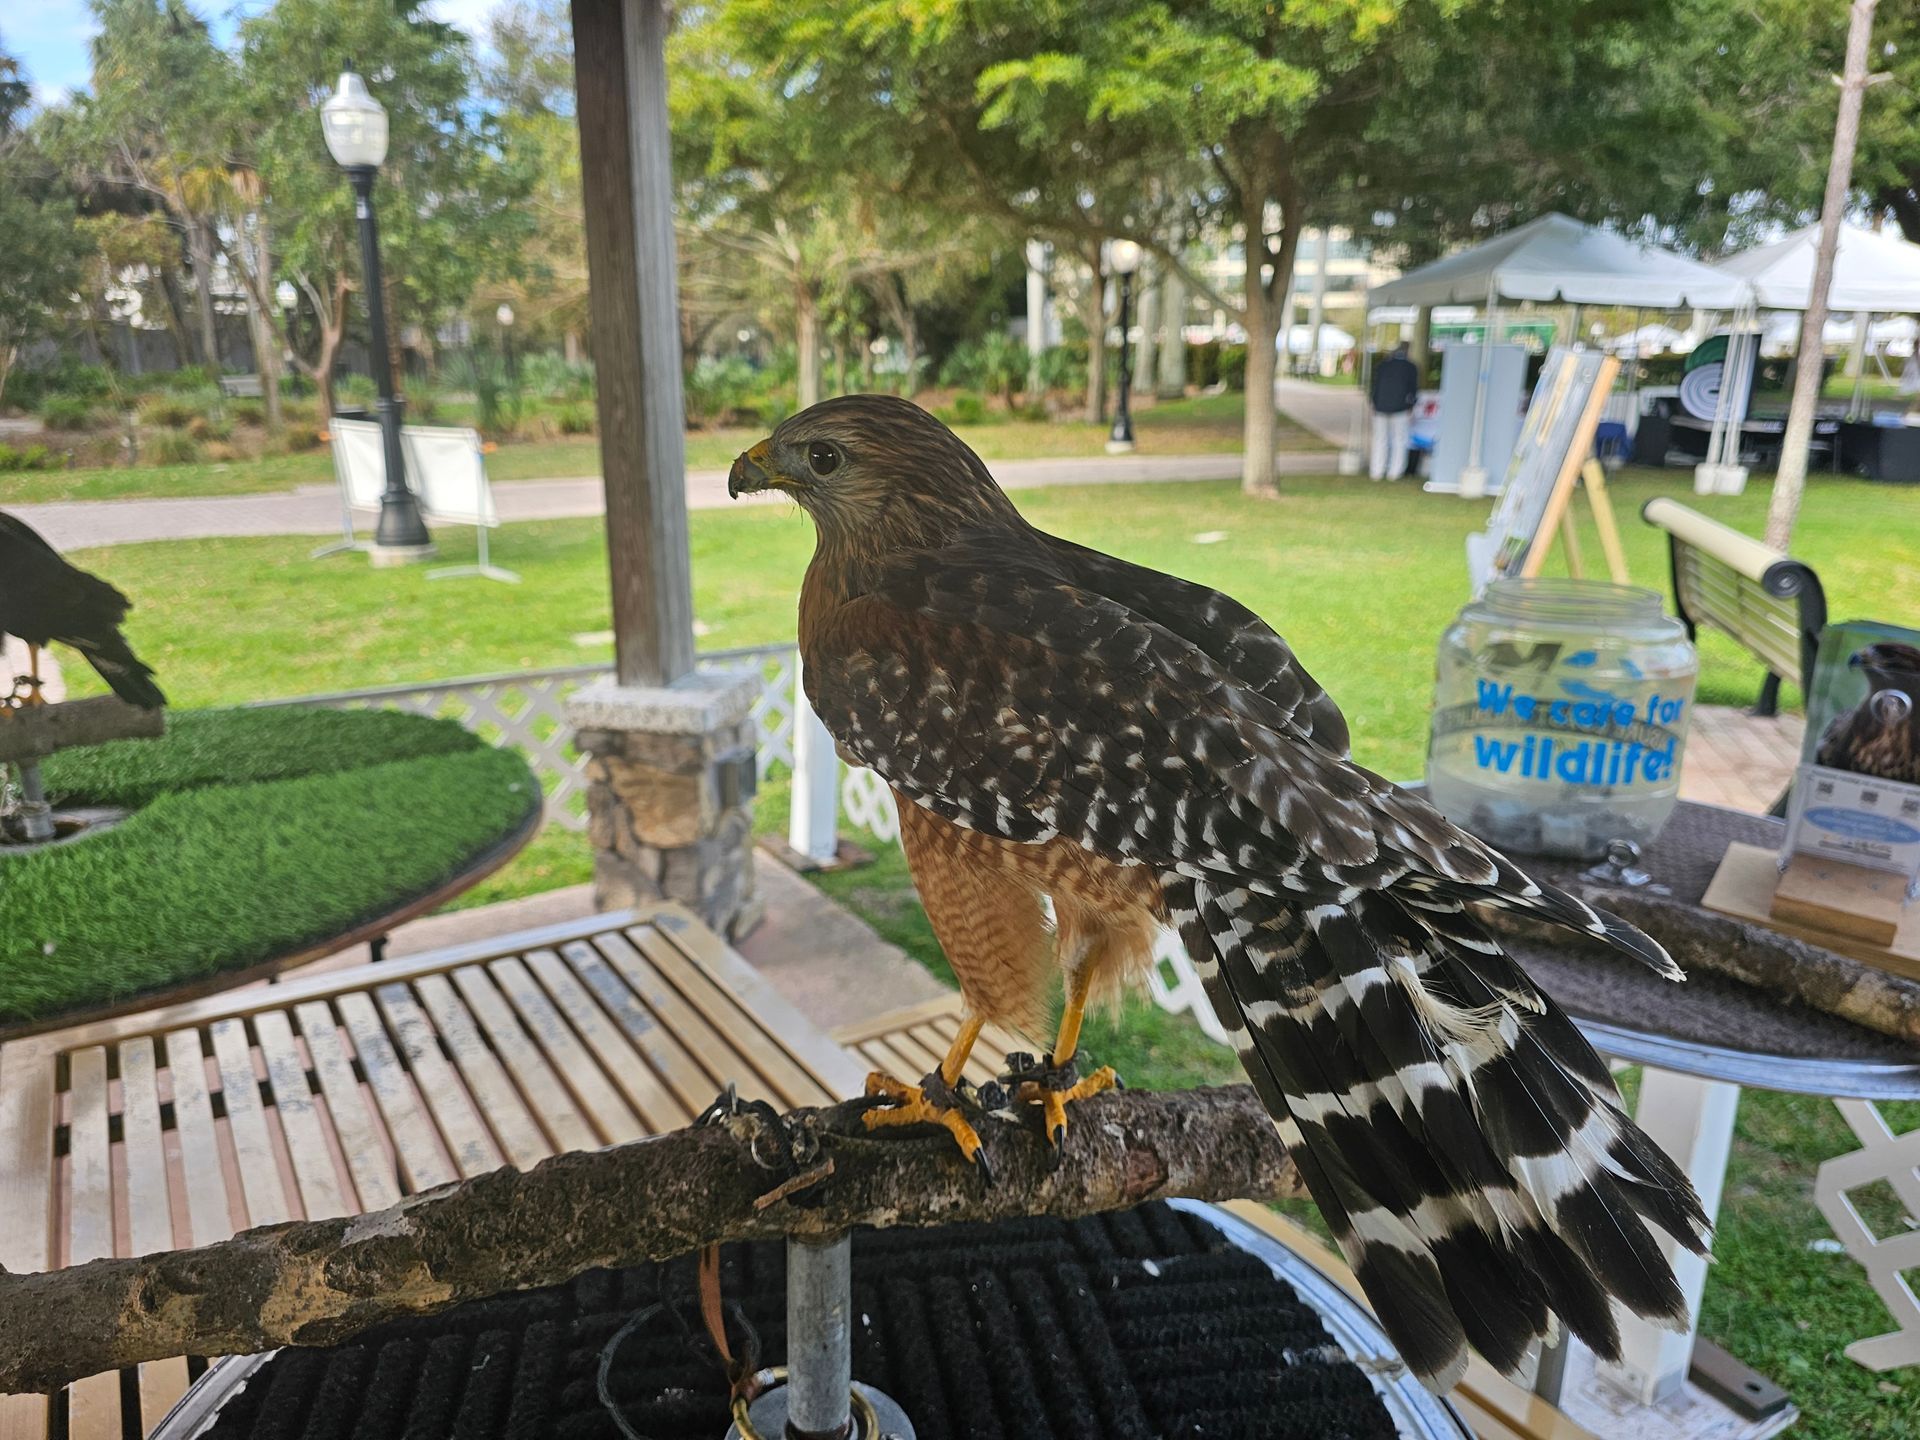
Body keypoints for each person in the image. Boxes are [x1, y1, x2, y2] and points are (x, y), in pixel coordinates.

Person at [1369, 341, 1420, 481]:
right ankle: (1395, 472)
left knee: (1380, 439)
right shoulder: (1410, 367)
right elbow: (1413, 390)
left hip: (1380, 406)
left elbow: (1375, 386)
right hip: (1400, 407)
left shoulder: (1383, 365)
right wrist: (1411, 406)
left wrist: (1374, 402)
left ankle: (1377, 470)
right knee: (1399, 440)